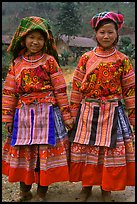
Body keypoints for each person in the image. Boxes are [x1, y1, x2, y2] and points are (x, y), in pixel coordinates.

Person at [2, 16, 73, 202]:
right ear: (23, 38)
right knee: (24, 155)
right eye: (31, 37)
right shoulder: (17, 64)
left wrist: (66, 115)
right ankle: (24, 192)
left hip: (47, 115)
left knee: (44, 157)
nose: (35, 42)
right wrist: (8, 119)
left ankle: (42, 194)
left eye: (40, 38)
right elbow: (9, 92)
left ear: (46, 41)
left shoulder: (50, 61)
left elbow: (60, 89)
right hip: (23, 116)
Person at [68, 11, 135, 202]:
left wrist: (133, 117)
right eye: (102, 32)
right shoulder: (86, 58)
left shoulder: (123, 60)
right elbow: (77, 88)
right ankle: (86, 187)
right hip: (88, 113)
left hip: (113, 112)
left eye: (110, 32)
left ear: (117, 34)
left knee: (110, 153)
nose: (106, 36)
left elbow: (130, 90)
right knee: (87, 151)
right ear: (95, 34)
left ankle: (107, 189)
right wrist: (72, 114)